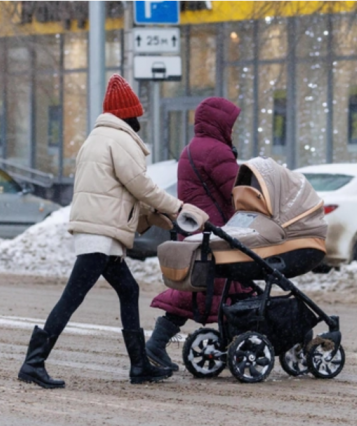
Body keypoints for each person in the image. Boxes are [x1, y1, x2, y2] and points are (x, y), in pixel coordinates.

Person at [18, 74, 199, 387]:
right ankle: (33, 363)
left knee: (128, 290)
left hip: (99, 231)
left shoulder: (97, 139)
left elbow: (117, 190)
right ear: (128, 113)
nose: (140, 119)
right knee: (71, 298)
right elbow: (140, 184)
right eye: (137, 114)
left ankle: (139, 365)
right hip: (100, 235)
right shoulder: (119, 140)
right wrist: (176, 207)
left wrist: (151, 215)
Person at [146, 97, 244, 371]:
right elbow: (237, 192)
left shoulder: (192, 148)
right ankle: (239, 341)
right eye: (231, 123)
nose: (233, 129)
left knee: (205, 288)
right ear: (219, 122)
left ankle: (161, 341)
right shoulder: (216, 151)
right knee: (217, 287)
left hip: (196, 230)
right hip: (212, 233)